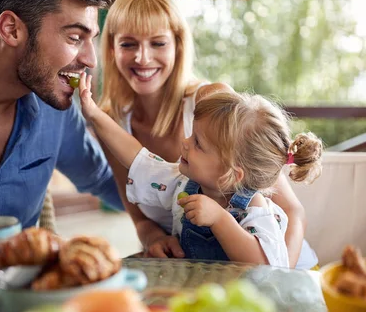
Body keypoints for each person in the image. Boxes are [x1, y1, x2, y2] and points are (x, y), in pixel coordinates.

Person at [98, 0, 308, 266]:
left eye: (158, 42)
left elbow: (292, 211)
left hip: (275, 264)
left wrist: (280, 280)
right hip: (197, 271)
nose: (142, 57)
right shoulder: (111, 123)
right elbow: (139, 217)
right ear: (111, 48)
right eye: (128, 43)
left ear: (178, 45)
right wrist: (154, 239)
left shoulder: (211, 101)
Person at [80, 75, 322, 267]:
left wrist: (220, 219)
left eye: (197, 143)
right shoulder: (180, 183)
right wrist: (93, 112)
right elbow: (138, 158)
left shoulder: (256, 210)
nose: (185, 142)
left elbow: (266, 266)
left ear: (230, 174)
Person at [0, 0, 123, 229]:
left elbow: (105, 180)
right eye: (75, 38)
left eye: (92, 39)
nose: (91, 60)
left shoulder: (55, 108)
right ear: (11, 29)